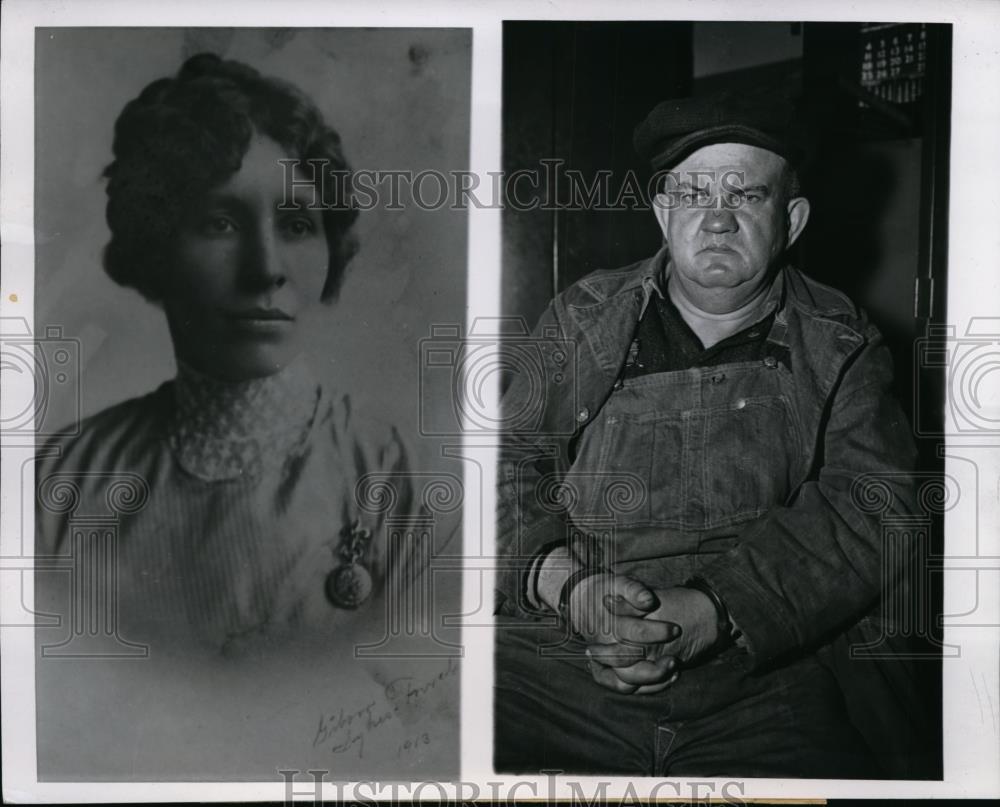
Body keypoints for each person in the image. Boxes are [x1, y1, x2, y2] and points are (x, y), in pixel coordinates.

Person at [34, 53, 458, 779]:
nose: (267, 268)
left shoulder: (404, 474)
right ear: (157, 241)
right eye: (221, 221)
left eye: (297, 222)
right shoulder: (63, 477)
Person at [494, 89, 929, 778]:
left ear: (791, 219)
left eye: (746, 195)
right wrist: (566, 586)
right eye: (694, 193)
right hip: (560, 664)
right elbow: (502, 462)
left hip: (759, 675)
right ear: (664, 211)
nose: (718, 218)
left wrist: (719, 609)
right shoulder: (583, 316)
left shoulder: (842, 342)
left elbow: (874, 503)